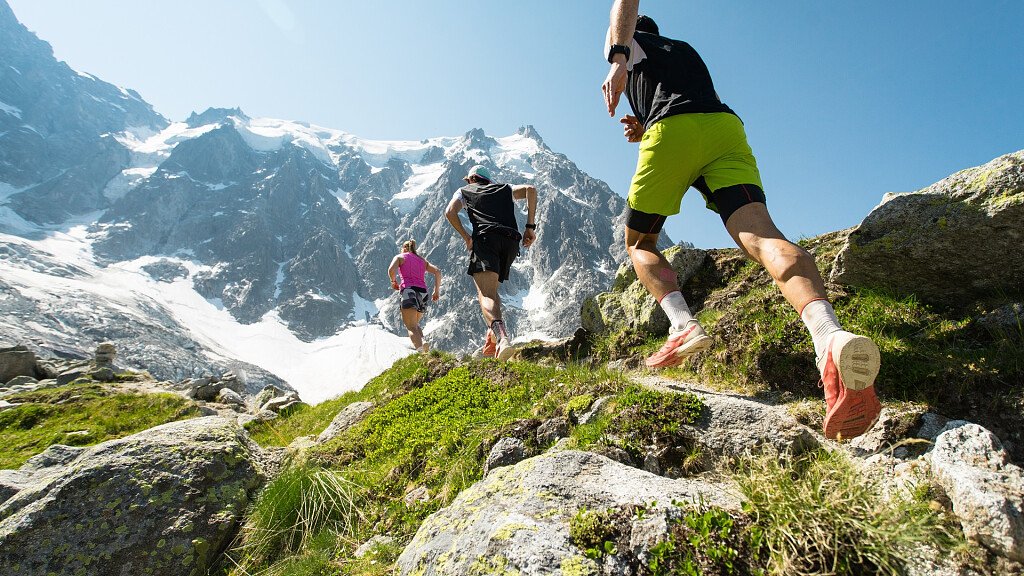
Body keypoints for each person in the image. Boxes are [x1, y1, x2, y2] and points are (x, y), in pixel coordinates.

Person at [600, 1, 881, 440]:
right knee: (762, 236)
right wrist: (642, 122)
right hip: (723, 128)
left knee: (640, 244)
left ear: (633, 33)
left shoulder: (628, 41)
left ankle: (682, 326)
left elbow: (624, 7)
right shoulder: (681, 49)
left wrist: (616, 59)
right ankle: (829, 338)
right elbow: (677, 98)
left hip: (673, 133)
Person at [444, 165, 538, 360]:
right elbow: (531, 190)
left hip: (486, 239)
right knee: (491, 291)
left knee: (485, 293)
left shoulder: (464, 191)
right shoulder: (504, 188)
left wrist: (466, 238)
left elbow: (450, 212)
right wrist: (529, 227)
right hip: (511, 241)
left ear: (471, 179)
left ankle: (503, 338)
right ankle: (491, 340)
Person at [387, 239, 441, 353]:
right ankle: (423, 342)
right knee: (415, 324)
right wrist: (436, 291)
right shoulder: (422, 261)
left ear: (404, 248)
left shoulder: (400, 257)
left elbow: (391, 270)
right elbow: (437, 271)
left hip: (409, 290)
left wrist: (393, 282)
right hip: (423, 293)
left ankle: (421, 351)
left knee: (410, 326)